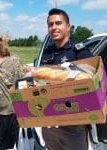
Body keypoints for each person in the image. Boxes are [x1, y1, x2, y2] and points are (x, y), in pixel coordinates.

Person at [40, 8, 93, 150]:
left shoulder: (80, 52)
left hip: (73, 125)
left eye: (58, 23)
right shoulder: (47, 52)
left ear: (68, 27)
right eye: (50, 24)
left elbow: (92, 82)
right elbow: (41, 83)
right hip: (50, 124)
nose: (54, 27)